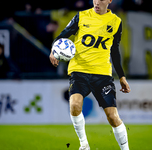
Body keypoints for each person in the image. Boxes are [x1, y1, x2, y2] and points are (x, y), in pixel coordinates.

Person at [49, 0, 131, 150]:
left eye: (100, 0)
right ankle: (84, 145)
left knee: (112, 117)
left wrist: (122, 76)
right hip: (79, 71)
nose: (96, 2)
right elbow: (62, 36)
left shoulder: (116, 22)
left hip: (102, 74)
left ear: (109, 1)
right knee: (74, 105)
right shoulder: (81, 16)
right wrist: (54, 50)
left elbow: (115, 51)